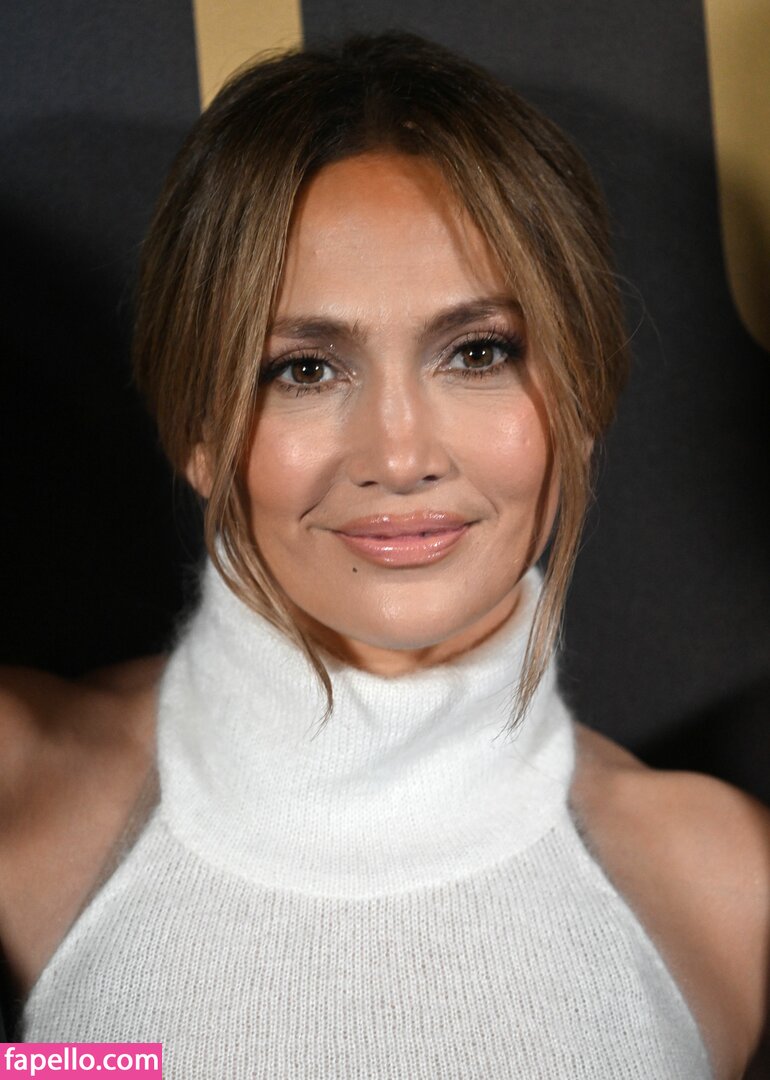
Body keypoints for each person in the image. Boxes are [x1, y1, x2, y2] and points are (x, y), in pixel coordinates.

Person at [1, 31, 767, 1079]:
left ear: (584, 397)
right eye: (305, 369)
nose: (400, 456)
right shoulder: (23, 791)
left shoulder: (727, 883)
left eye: (478, 352)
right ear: (197, 428)